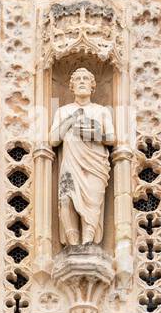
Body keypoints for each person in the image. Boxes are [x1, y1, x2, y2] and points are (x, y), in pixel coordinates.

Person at [49, 67, 114, 246]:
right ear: (71, 86)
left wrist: (95, 133)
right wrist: (70, 120)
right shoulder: (63, 111)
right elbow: (53, 139)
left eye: (86, 79)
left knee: (92, 202)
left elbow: (111, 138)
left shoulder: (102, 111)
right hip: (71, 163)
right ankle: (73, 244)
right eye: (78, 79)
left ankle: (87, 243)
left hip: (95, 163)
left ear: (93, 86)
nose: (82, 82)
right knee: (66, 199)